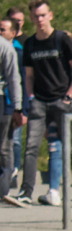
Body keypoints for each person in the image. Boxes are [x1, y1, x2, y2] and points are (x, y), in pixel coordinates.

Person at [18, 0, 72, 206]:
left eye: (43, 15)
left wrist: (68, 96)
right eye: (36, 16)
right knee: (31, 146)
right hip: (39, 100)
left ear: (50, 15)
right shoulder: (30, 44)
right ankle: (26, 192)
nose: (40, 20)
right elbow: (28, 75)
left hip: (61, 101)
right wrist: (30, 96)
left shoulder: (62, 39)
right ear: (31, 18)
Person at [0, 18, 25, 207]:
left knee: (3, 146)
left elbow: (13, 79)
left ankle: (3, 188)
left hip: (2, 102)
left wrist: (17, 107)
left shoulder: (5, 48)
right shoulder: (5, 47)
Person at [6, 6, 26, 189]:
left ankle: (13, 173)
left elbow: (22, 78)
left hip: (15, 100)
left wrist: (22, 106)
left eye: (20, 19)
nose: (18, 22)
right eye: (14, 19)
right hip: (5, 101)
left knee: (16, 140)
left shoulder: (23, 46)